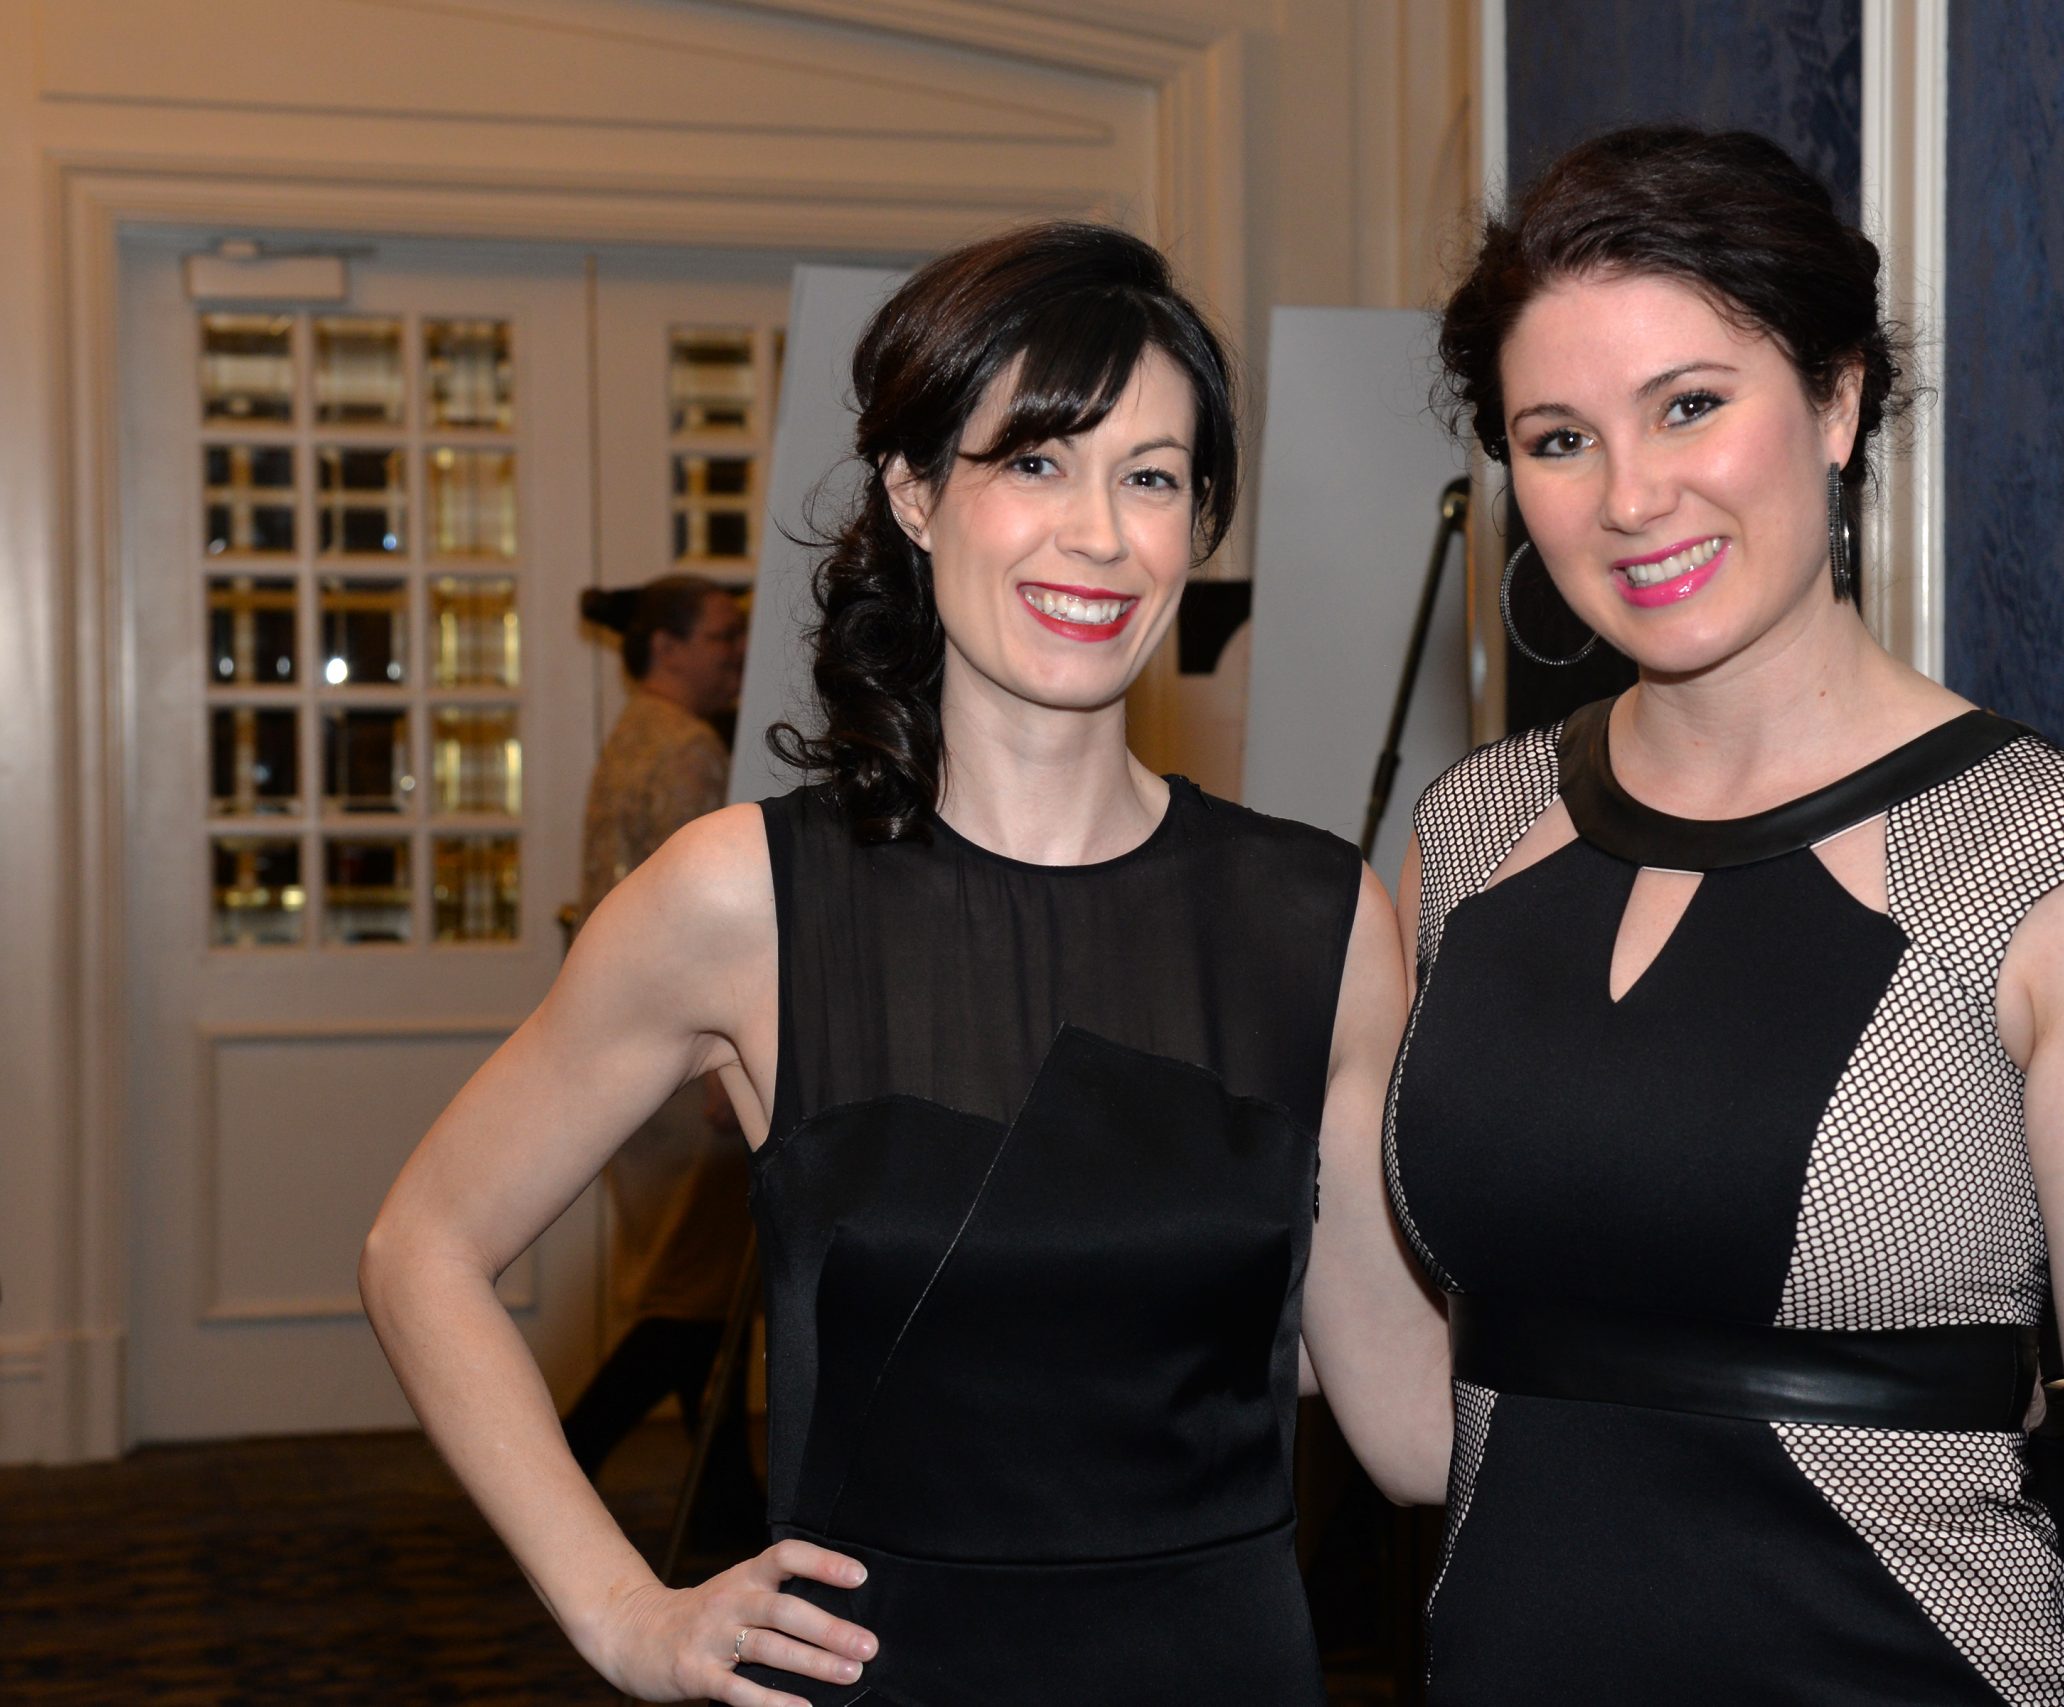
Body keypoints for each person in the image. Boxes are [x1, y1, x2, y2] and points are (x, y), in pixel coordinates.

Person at [361, 221, 1447, 1707]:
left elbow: (1407, 1424)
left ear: (1199, 526)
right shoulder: (747, 899)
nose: (1098, 532)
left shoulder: (1317, 918)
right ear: (915, 491)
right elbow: (421, 1246)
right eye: (1036, 462)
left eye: (1150, 478)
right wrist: (622, 1612)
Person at [1385, 127, 2064, 1704]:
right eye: (1560, 438)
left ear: (1838, 400)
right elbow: (1407, 1408)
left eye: (1691, 405)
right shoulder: (1469, 832)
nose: (1631, 496)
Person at [560, 574, 756, 1514]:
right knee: (692, 1291)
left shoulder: (635, 731)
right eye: (721, 636)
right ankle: (569, 1454)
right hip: (685, 1052)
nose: (737, 652)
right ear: (667, 648)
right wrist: (727, 1052)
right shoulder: (686, 748)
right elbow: (702, 923)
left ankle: (724, 1493)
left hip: (628, 1039)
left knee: (699, 1289)